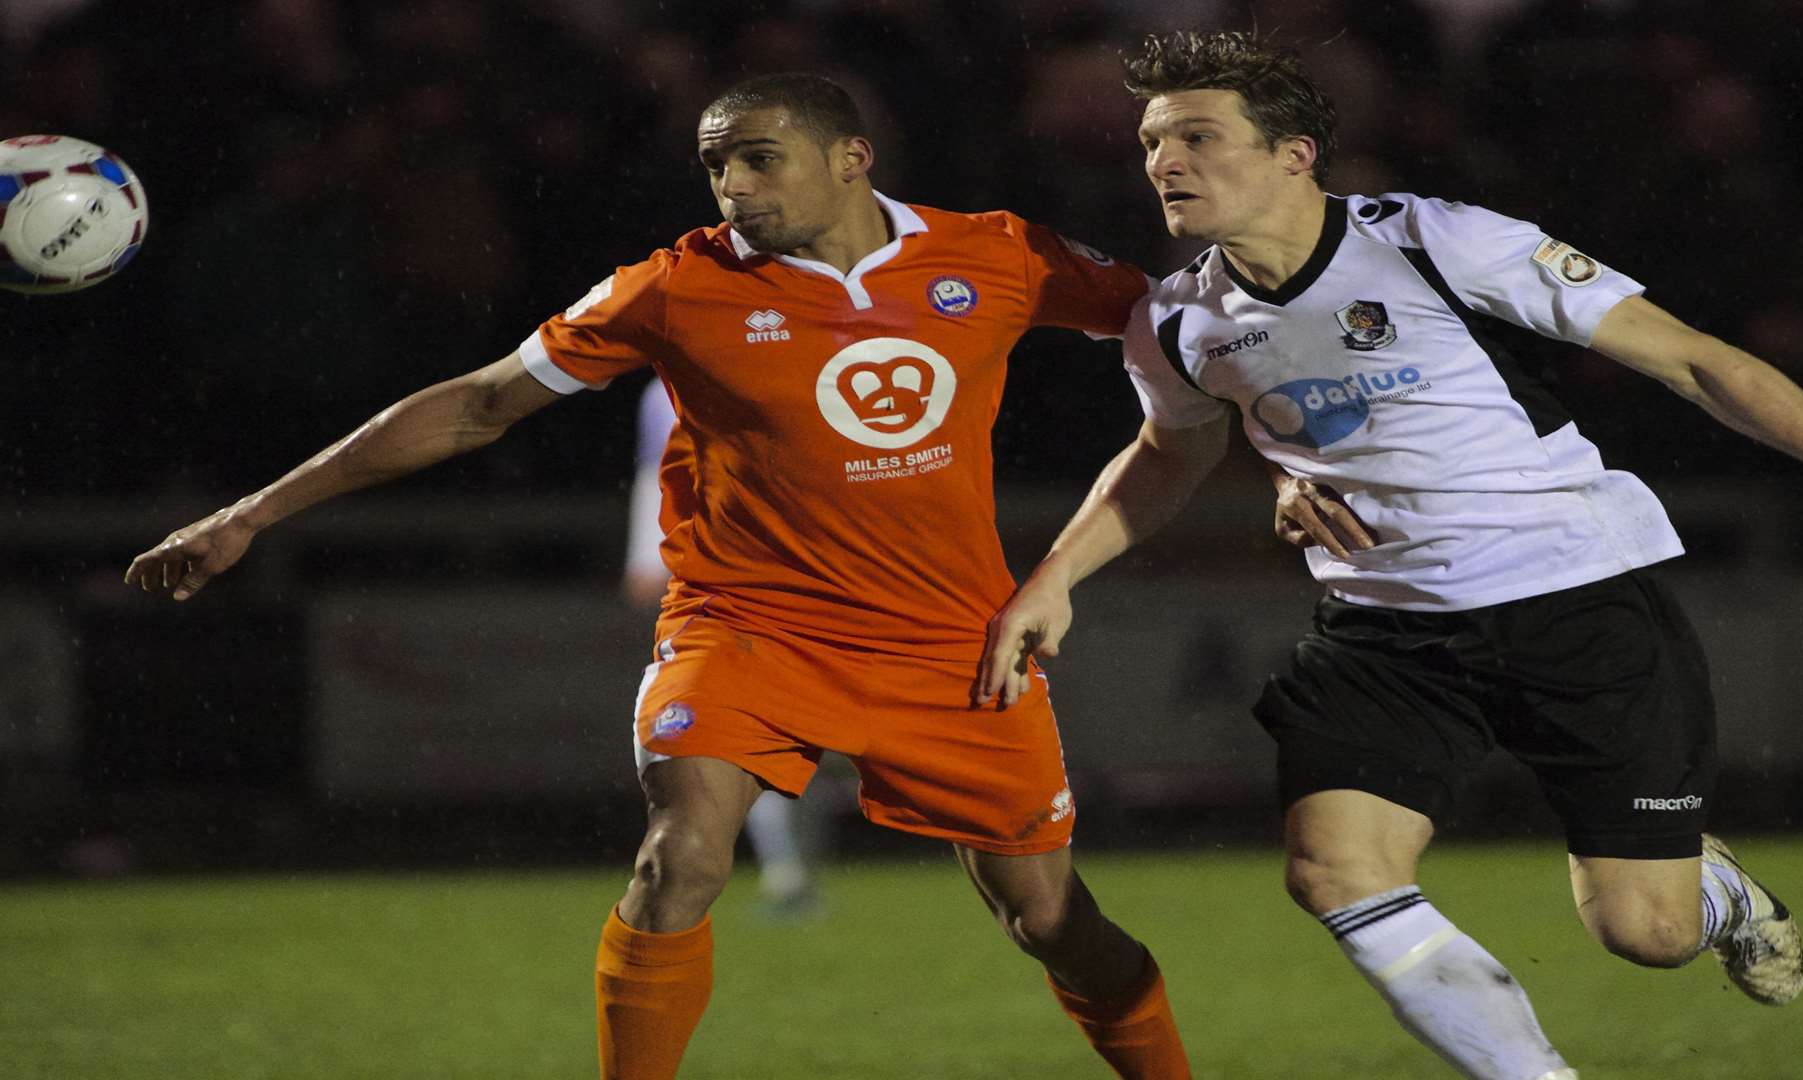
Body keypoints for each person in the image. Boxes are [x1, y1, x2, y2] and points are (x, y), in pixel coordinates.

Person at [127, 74, 1191, 1080]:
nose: (733, 188)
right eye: (716, 166)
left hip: (950, 641)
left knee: (1052, 925)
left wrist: (1310, 453)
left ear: (851, 157)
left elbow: (1194, 330)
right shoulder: (678, 285)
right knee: (679, 856)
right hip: (747, 629)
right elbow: (479, 403)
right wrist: (251, 513)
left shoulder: (997, 255)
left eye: (760, 161)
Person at [973, 30, 1803, 1080]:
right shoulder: (1179, 319)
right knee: (1333, 868)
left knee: (1643, 935)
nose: (1165, 162)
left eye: (1198, 135)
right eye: (1153, 141)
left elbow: (1694, 362)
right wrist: (1056, 579)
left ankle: (1716, 893)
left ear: (1295, 154)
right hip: (1382, 630)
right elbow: (1169, 453)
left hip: (1571, 600)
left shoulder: (1439, 242)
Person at [624, 374, 818, 918]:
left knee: (806, 742)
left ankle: (795, 863)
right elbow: (656, 475)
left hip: (803, 585)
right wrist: (644, 556)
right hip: (721, 596)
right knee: (743, 737)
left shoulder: (782, 356)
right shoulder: (661, 393)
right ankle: (787, 870)